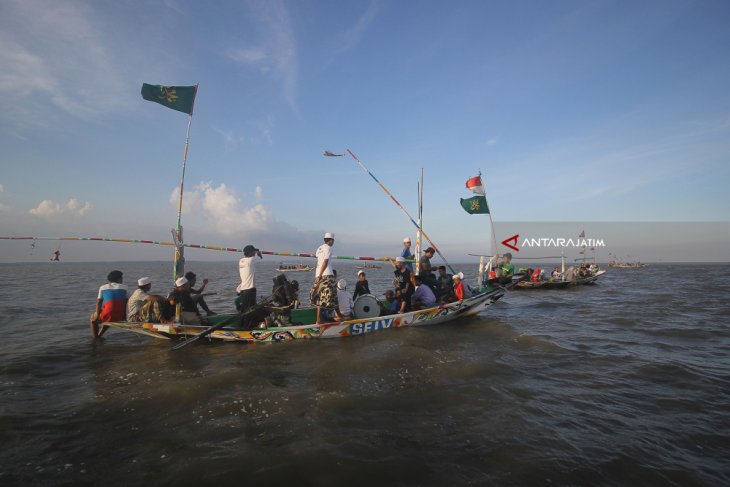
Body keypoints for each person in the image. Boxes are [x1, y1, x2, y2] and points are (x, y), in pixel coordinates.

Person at [89, 270, 128, 338]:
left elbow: (99, 302)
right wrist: (126, 316)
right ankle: (99, 334)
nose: (122, 279)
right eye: (121, 278)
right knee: (108, 314)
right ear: (118, 279)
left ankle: (95, 338)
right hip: (121, 316)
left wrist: (97, 316)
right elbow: (127, 302)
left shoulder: (103, 287)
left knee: (92, 319)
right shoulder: (125, 287)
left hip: (108, 316)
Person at [310, 232, 338, 324]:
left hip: (318, 274)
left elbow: (317, 256)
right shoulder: (329, 248)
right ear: (330, 240)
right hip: (327, 274)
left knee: (319, 297)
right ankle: (339, 315)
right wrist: (320, 275)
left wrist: (318, 276)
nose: (333, 242)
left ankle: (319, 319)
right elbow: (325, 262)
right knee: (333, 295)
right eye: (333, 241)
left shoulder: (319, 248)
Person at [237, 244, 263, 326]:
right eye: (253, 252)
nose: (255, 253)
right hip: (250, 290)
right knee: (250, 310)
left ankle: (244, 324)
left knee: (245, 310)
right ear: (251, 253)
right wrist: (259, 253)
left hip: (242, 290)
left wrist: (256, 251)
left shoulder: (241, 261)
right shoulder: (251, 260)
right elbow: (260, 258)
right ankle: (247, 327)